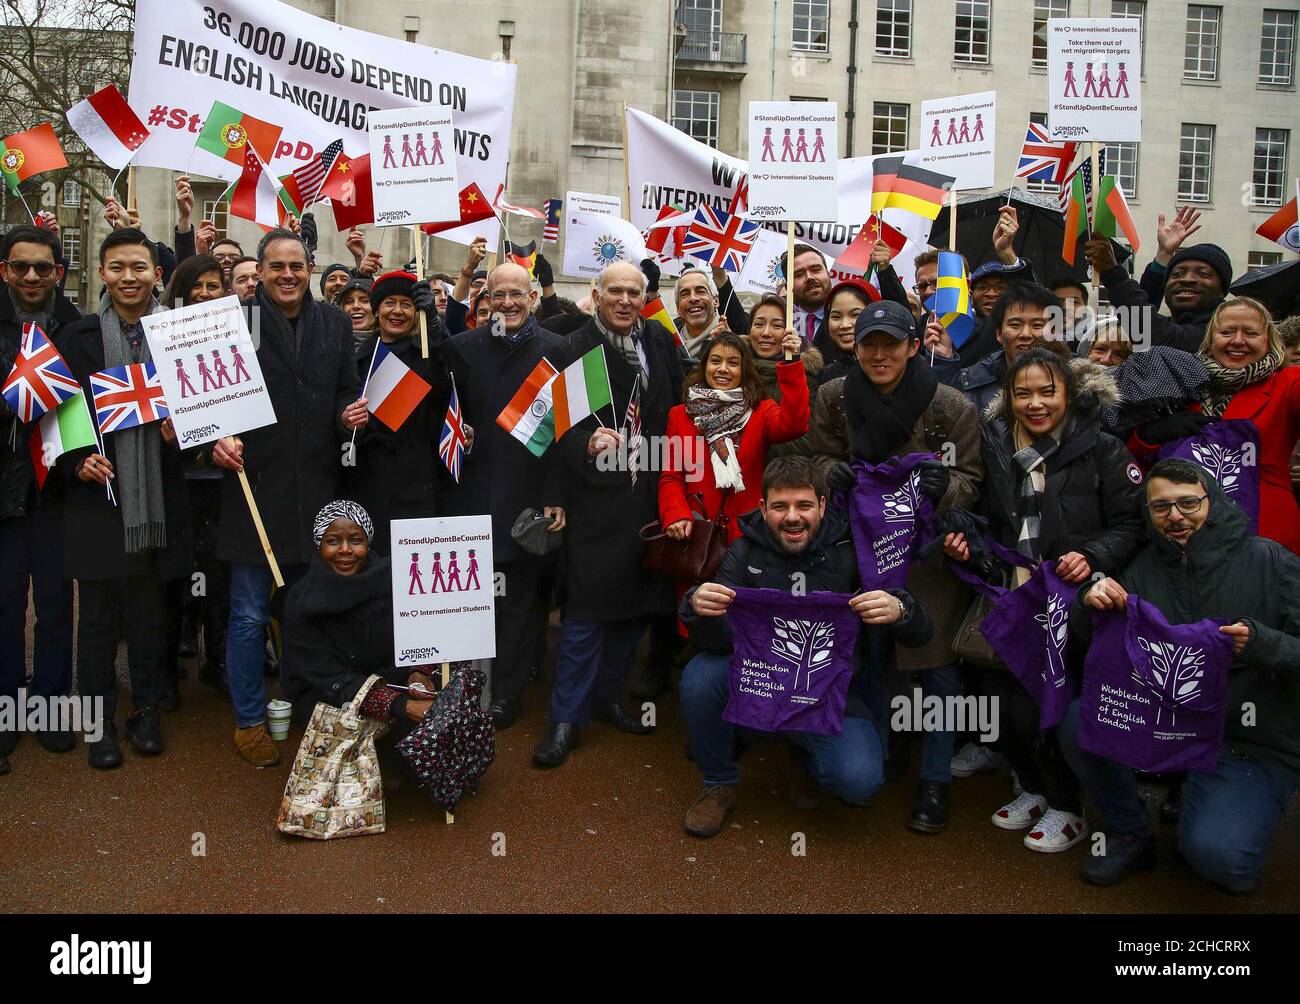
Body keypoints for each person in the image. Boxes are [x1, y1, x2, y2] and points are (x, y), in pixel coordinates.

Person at [1059, 460, 1300, 892]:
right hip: (1168, 722)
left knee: (1224, 866)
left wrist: (1264, 644)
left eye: (1188, 502)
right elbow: (1091, 647)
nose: (1175, 516)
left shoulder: (1270, 560)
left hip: (1247, 741)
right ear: (1148, 514)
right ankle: (1132, 831)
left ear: (1213, 500)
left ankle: (1205, 798)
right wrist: (1087, 601)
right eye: (1161, 507)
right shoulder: (1141, 568)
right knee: (1080, 718)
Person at [943, 347, 1145, 852]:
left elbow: (1132, 524)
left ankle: (1068, 807)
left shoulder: (1103, 449)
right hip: (1013, 597)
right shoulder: (995, 448)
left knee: (1051, 709)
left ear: (1069, 394)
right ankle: (1033, 788)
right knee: (1005, 708)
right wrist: (969, 546)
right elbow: (989, 524)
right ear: (1008, 399)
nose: (1035, 404)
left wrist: (1092, 555)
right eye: (1022, 393)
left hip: (1070, 606)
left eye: (1046, 392)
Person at [678, 457, 933, 837]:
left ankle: (806, 756)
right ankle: (718, 782)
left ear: (823, 506)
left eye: (804, 506)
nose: (792, 517)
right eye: (780, 507)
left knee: (859, 782)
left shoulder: (855, 552)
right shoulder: (744, 552)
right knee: (699, 677)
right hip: (761, 680)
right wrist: (697, 608)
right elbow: (716, 643)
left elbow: (920, 634)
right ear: (763, 509)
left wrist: (900, 610)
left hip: (830, 692)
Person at [808, 300, 984, 833]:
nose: (879, 354)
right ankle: (883, 750)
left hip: (927, 556)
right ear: (855, 347)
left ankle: (936, 779)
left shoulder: (950, 406)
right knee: (874, 655)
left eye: (891, 343)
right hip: (861, 548)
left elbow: (971, 479)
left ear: (913, 345)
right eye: (869, 344)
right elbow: (816, 457)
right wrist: (833, 473)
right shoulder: (834, 398)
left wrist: (944, 487)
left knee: (937, 670)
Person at [208, 228, 363, 768]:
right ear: (261, 271)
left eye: (297, 265)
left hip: (317, 491)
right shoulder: (233, 322)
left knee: (305, 608)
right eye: (277, 267)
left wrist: (347, 417)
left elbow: (346, 390)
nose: (288, 275)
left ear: (311, 268)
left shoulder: (336, 323)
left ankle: (302, 702)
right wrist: (214, 440)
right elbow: (205, 399)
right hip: (255, 490)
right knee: (249, 615)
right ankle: (250, 720)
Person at [533, 260, 685, 767]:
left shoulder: (661, 344)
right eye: (614, 291)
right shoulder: (571, 347)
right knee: (584, 617)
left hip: (650, 496)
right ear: (596, 295)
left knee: (633, 612)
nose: (624, 300)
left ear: (645, 298)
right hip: (595, 500)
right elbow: (545, 428)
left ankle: (608, 697)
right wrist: (584, 442)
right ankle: (565, 719)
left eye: (633, 292)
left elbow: (679, 410)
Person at [53, 229, 194, 769]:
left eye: (139, 266)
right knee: (96, 624)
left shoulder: (180, 334)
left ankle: (146, 714)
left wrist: (186, 431)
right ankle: (100, 725)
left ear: (156, 274)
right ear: (103, 272)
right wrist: (77, 459)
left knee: (151, 618)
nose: (129, 277)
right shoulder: (78, 336)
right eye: (117, 267)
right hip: (100, 498)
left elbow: (207, 406)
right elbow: (58, 412)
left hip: (159, 498)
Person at [446, 262, 568, 729]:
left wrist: (558, 493)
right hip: (472, 495)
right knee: (473, 601)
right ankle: (468, 687)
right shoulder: (461, 349)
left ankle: (508, 694)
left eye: (517, 294)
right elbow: (444, 412)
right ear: (486, 298)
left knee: (520, 606)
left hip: (530, 500)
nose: (508, 304)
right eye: (499, 295)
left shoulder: (559, 350)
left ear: (533, 297)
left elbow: (568, 430)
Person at [281, 501, 452, 782]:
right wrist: (401, 706)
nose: (345, 550)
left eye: (356, 540)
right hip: (331, 692)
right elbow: (327, 677)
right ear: (319, 545)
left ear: (368, 543)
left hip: (391, 678)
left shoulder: (397, 578)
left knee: (452, 688)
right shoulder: (301, 601)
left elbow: (420, 634)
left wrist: (418, 671)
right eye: (333, 541)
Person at [1126, 297, 1300, 555]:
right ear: (1211, 338)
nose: (1238, 341)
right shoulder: (1182, 386)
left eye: (1250, 333)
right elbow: (1136, 465)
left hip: (1264, 539)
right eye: (1227, 332)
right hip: (1183, 537)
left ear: (1269, 341)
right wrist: (1149, 436)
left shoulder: (1286, 384)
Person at [0, 225, 79, 761]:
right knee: (5, 608)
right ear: (4, 269)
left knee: (54, 606)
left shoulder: (75, 327)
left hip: (56, 491)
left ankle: (51, 706)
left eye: (43, 268)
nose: (32, 276)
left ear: (59, 272)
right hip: (2, 490)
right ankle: (6, 709)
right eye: (21, 266)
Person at [659, 329, 809, 557]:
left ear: (743, 370)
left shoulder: (761, 411)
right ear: (704, 366)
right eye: (715, 361)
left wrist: (792, 363)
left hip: (748, 538)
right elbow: (672, 475)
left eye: (733, 363)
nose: (723, 369)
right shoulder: (680, 416)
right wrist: (676, 514)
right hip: (696, 537)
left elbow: (795, 424)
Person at [348, 271, 467, 554]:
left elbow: (460, 375)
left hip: (419, 479)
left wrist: (436, 326)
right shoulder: (358, 357)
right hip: (369, 478)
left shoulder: (429, 353)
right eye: (390, 303)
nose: (398, 311)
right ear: (376, 310)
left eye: (407, 304)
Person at [157, 254, 230, 710]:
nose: (205, 294)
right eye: (197, 286)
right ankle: (165, 668)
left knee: (218, 576)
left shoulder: (237, 338)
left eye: (213, 286)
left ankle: (217, 662)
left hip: (221, 481)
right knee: (173, 578)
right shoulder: (157, 337)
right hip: (174, 481)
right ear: (180, 291)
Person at [1084, 227, 1229, 354]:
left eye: (1203, 273)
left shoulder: (1221, 333)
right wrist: (1163, 257)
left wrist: (1112, 273)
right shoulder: (1174, 324)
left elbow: (1151, 333)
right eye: (1178, 273)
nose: (1187, 279)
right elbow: (1143, 315)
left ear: (1222, 290)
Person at [930, 283, 1063, 415]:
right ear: (998, 333)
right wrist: (943, 360)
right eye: (1015, 325)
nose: (1026, 334)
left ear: (1053, 332)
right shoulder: (971, 381)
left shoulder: (1076, 378)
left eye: (1037, 325)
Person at [746, 294, 824, 432]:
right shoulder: (732, 368)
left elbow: (803, 441)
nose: (765, 333)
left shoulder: (806, 380)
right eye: (758, 324)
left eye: (777, 326)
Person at [815, 278, 881, 387]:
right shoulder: (823, 375)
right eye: (836, 316)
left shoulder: (893, 369)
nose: (845, 325)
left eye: (855, 315)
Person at [672, 265, 729, 364]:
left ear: (715, 301)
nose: (693, 298)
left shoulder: (732, 343)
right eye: (685, 294)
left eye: (701, 291)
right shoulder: (667, 344)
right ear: (678, 308)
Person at [782, 244, 833, 347]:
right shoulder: (781, 323)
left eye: (816, 269)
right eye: (799, 274)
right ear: (788, 287)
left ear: (828, 274)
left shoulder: (850, 319)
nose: (809, 278)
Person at [334, 276, 375, 353]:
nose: (356, 306)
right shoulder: (327, 344)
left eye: (365, 301)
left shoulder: (390, 346)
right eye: (348, 302)